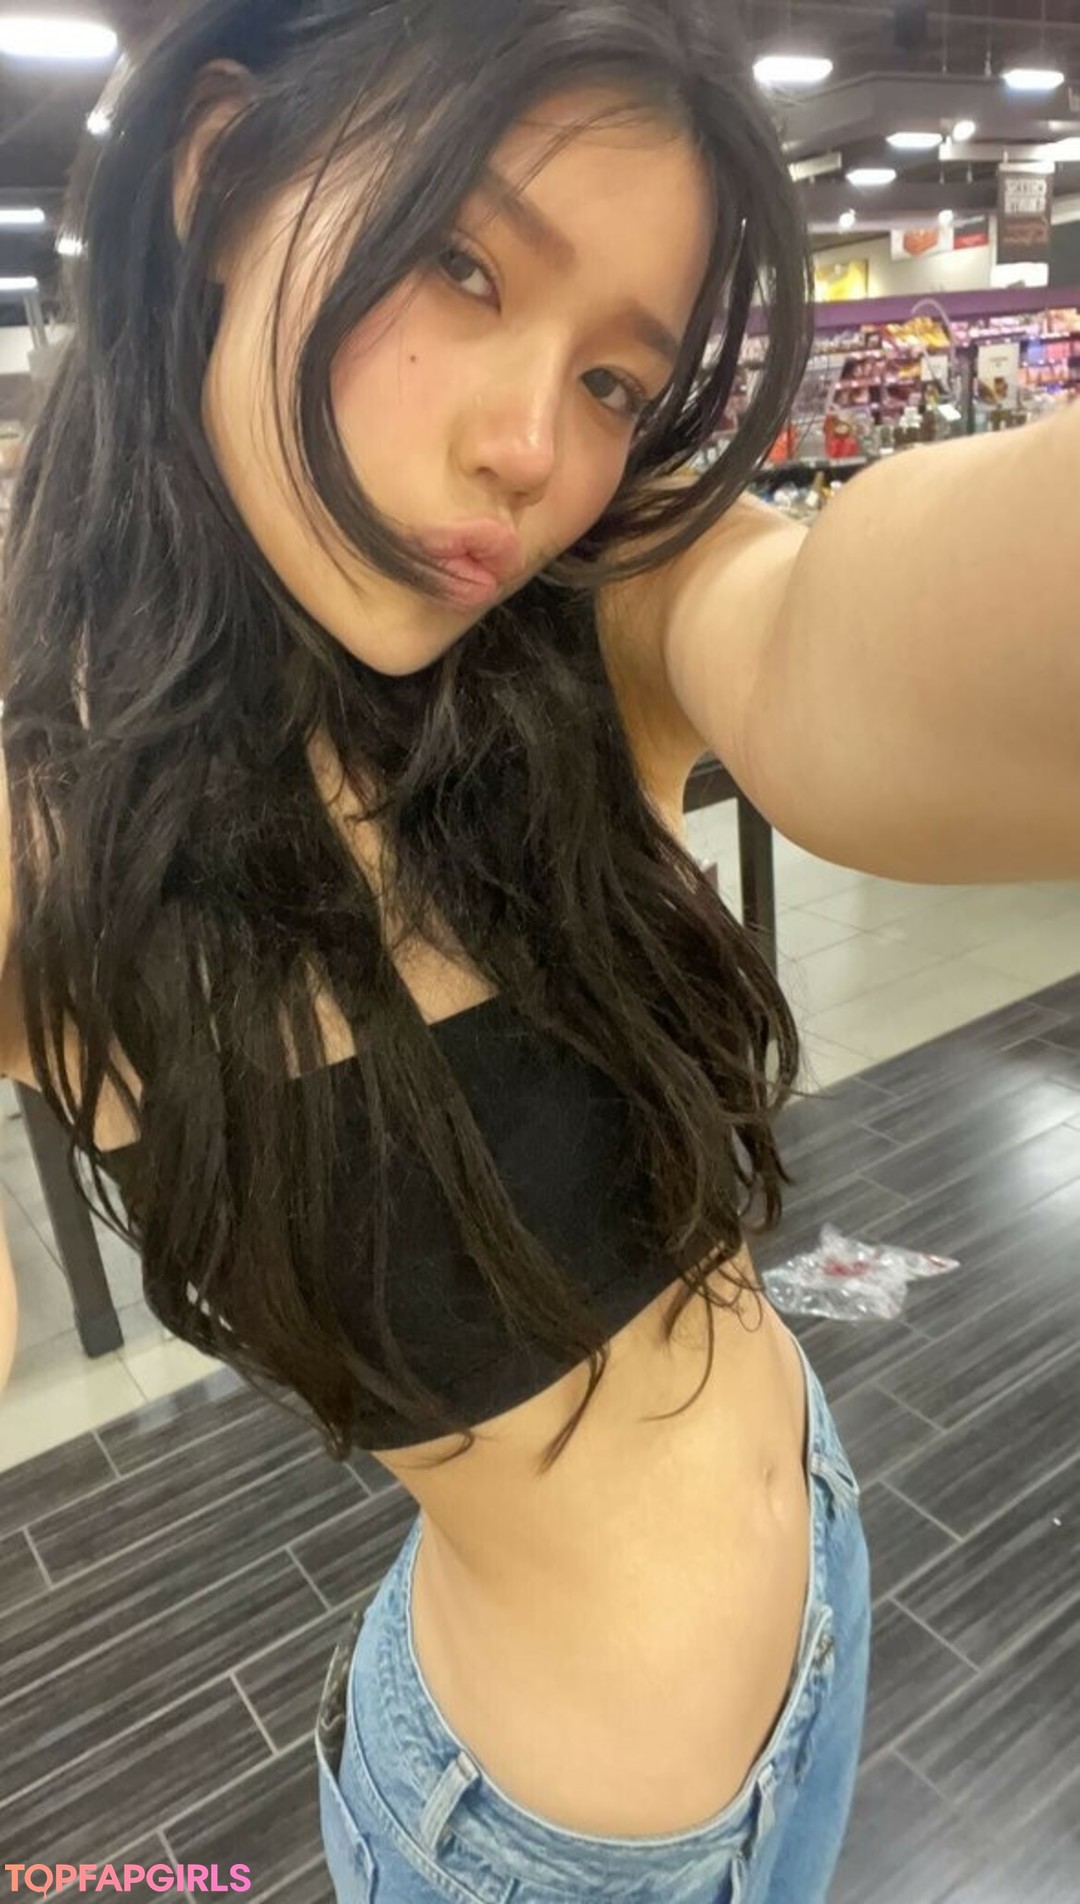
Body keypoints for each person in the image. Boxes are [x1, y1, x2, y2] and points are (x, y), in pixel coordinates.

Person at [0, 1, 1077, 1899]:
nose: (529, 448)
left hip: (825, 1609)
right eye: (462, 262)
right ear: (223, 175)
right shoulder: (45, 841)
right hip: (541, 1853)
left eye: (611, 382)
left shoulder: (583, 627)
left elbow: (844, 635)